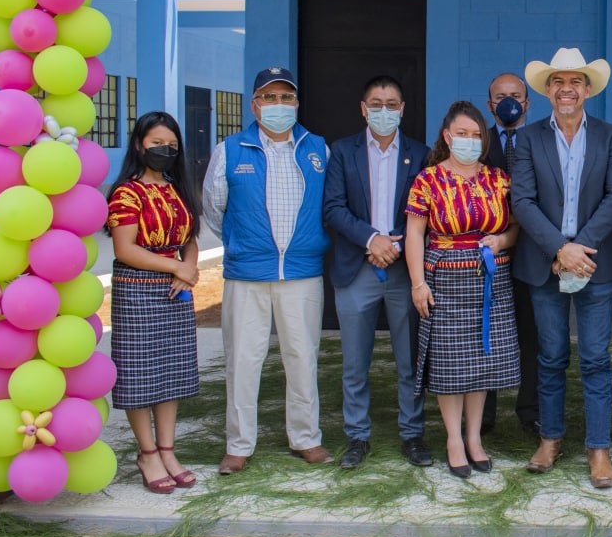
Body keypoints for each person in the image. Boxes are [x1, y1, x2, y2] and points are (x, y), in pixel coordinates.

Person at [203, 67, 333, 475]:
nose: (279, 105)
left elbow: (327, 207)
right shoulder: (230, 150)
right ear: (255, 104)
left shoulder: (318, 149)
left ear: (297, 103)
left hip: (301, 271)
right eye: (270, 97)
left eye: (286, 97)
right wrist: (244, 243)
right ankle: (239, 445)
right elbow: (214, 209)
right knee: (243, 360)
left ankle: (306, 437)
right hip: (247, 274)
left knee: (302, 357)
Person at [511, 47, 612, 489]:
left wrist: (580, 248)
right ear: (547, 90)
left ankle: (598, 448)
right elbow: (522, 200)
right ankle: (550, 439)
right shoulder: (528, 138)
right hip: (546, 263)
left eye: (575, 81)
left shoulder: (609, 136)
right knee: (551, 356)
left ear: (587, 90)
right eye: (558, 81)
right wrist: (560, 249)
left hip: (593, 261)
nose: (567, 89)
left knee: (596, 358)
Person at [405, 101, 521, 478]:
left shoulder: (499, 179)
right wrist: (418, 283)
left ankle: (474, 438)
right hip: (445, 279)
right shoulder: (428, 180)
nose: (469, 140)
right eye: (462, 134)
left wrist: (502, 241)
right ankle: (453, 439)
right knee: (451, 363)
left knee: (481, 363)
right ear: (447, 136)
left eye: (476, 135)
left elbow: (515, 226)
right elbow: (414, 233)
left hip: (491, 279)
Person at [323, 75, 432, 470]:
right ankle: (357, 435)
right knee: (355, 362)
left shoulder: (421, 154)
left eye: (391, 104)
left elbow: (427, 211)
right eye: (376, 104)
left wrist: (395, 245)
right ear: (363, 108)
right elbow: (333, 208)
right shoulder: (342, 151)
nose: (383, 111)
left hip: (404, 269)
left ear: (402, 109)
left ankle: (412, 433)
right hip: (357, 267)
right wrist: (372, 240)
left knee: (409, 360)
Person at [107, 112, 202, 494]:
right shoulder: (127, 193)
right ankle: (147, 453)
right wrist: (176, 266)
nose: (165, 150)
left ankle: (167, 450)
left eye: (172, 145)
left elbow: (191, 238)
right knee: (140, 373)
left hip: (175, 291)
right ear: (139, 145)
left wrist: (188, 267)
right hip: (137, 289)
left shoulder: (178, 189)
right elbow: (125, 249)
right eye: (157, 143)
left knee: (170, 373)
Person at [482, 72, 541, 437]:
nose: (509, 102)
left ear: (527, 103)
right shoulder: (477, 142)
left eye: (516, 96)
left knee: (532, 335)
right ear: (490, 104)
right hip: (487, 254)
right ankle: (483, 414)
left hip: (532, 251)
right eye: (501, 96)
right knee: (485, 331)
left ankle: (530, 410)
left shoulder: (541, 141)